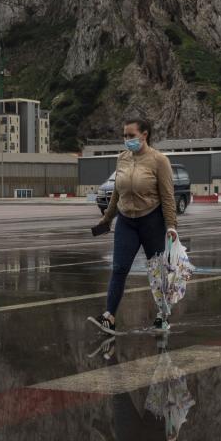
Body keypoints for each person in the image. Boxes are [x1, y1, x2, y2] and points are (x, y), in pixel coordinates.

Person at [90, 118, 178, 335]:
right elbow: (116, 194)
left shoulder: (159, 160)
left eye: (131, 135)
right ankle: (109, 316)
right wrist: (107, 220)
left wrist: (171, 225)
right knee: (119, 269)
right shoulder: (122, 159)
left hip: (152, 221)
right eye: (125, 135)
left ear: (144, 134)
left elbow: (168, 197)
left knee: (158, 272)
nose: (127, 140)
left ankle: (162, 316)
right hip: (126, 221)